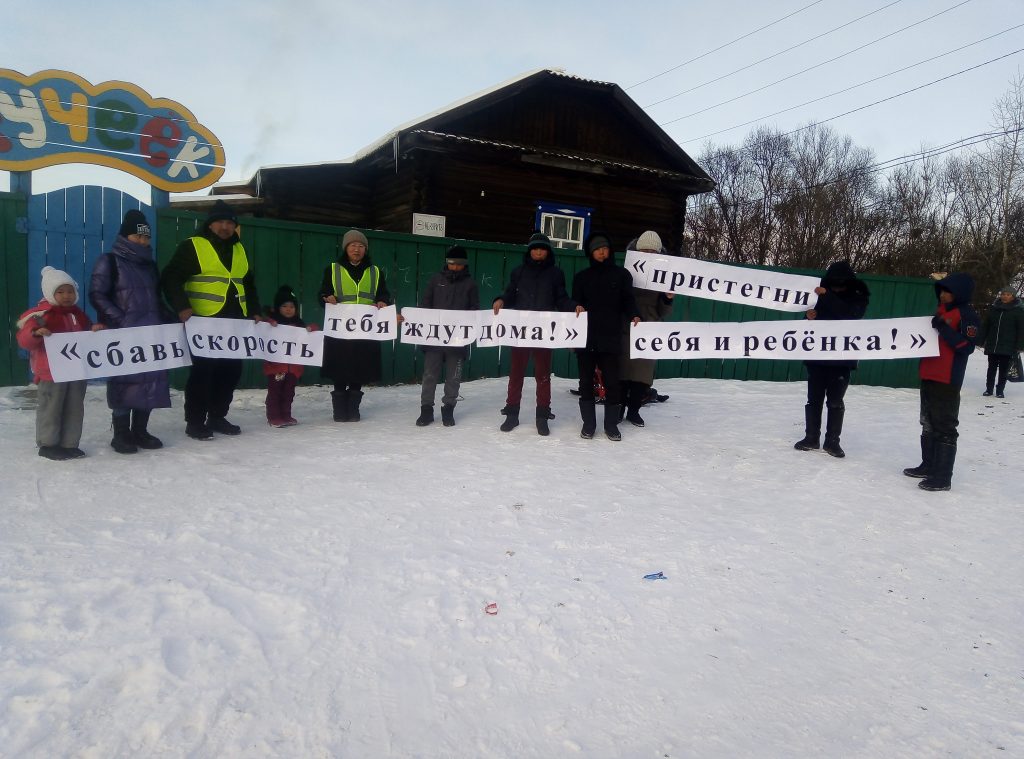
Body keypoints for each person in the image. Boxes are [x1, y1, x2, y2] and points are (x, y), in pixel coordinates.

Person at [160, 200, 263, 440]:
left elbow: (247, 283)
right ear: (210, 224)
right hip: (204, 321)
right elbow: (170, 277)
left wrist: (254, 310)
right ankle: (195, 421)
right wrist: (182, 306)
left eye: (230, 223)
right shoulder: (193, 246)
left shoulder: (239, 249)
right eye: (220, 222)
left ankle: (217, 416)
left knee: (230, 372)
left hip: (235, 322)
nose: (225, 227)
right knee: (203, 373)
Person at [89, 209, 171, 454]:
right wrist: (121, 319)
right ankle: (121, 434)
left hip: (150, 334)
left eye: (146, 237)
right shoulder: (109, 261)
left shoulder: (150, 266)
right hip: (123, 334)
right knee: (123, 382)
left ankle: (140, 431)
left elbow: (156, 298)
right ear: (125, 237)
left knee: (150, 382)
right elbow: (97, 295)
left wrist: (171, 318)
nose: (143, 241)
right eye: (138, 237)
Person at [16, 267, 105, 460]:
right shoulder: (40, 316)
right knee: (51, 408)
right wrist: (35, 333)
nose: (66, 296)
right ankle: (48, 444)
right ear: (50, 293)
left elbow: (87, 331)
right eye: (60, 292)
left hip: (75, 371)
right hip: (51, 373)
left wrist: (94, 329)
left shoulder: (78, 314)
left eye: (70, 291)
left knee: (74, 407)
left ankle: (69, 443)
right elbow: (24, 340)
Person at [492, 231, 576, 435]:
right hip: (521, 330)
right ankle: (512, 413)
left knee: (543, 375)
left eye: (542, 249)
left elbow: (561, 298)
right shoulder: (518, 272)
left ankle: (542, 415)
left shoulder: (556, 274)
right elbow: (510, 294)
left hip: (544, 331)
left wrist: (573, 307)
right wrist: (501, 300)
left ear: (548, 252)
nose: (538, 252)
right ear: (529, 251)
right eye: (535, 249)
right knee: (516, 374)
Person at [902, 272, 979, 492]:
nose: (943, 295)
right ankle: (928, 465)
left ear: (959, 293)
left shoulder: (967, 315)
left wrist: (943, 328)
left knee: (945, 426)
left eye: (948, 292)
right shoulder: (941, 311)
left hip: (948, 378)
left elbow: (967, 347)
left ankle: (943, 477)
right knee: (927, 422)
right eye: (942, 291)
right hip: (929, 374)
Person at [793, 261, 870, 458]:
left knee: (835, 401)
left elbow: (850, 315)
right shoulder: (818, 295)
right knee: (814, 400)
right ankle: (811, 437)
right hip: (817, 356)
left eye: (839, 283)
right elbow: (807, 326)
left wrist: (826, 296)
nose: (836, 287)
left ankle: (832, 441)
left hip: (841, 358)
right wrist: (809, 317)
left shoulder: (858, 296)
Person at [571, 232, 639, 441]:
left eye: (604, 248)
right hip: (586, 339)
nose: (601, 252)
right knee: (585, 383)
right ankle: (589, 424)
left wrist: (635, 314)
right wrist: (576, 306)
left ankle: (611, 425)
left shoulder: (622, 276)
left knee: (612, 383)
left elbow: (628, 300)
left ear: (610, 250)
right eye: (597, 249)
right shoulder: (581, 278)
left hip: (610, 338)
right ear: (590, 253)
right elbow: (574, 304)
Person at [319, 229, 391, 422]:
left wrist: (383, 301)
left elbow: (383, 293)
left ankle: (353, 410)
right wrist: (326, 297)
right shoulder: (332, 269)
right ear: (346, 248)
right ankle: (339, 411)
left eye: (360, 246)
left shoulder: (375, 272)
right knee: (339, 367)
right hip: (340, 329)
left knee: (360, 367)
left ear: (365, 249)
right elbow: (323, 292)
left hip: (365, 330)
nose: (356, 249)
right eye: (353, 245)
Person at [414, 245, 479, 427]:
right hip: (434, 338)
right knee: (429, 375)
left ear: (464, 264)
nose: (455, 267)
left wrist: (468, 318)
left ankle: (448, 408)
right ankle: (426, 410)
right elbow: (425, 305)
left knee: (453, 377)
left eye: (458, 264)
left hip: (457, 340)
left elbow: (475, 308)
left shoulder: (470, 284)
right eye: (451, 263)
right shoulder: (436, 280)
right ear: (447, 263)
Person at [619, 230, 674, 427]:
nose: (648, 254)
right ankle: (618, 410)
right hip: (626, 326)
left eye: (653, 251)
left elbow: (663, 311)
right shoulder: (627, 271)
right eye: (645, 250)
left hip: (649, 329)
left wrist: (667, 299)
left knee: (641, 376)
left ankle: (634, 411)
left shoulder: (664, 277)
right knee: (622, 372)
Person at [264, 285, 318, 427]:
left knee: (289, 392)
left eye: (292, 307)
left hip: (293, 368)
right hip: (276, 367)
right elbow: (262, 328)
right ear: (278, 308)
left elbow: (311, 334)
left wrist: (312, 329)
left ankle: (286, 414)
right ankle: (273, 416)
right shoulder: (272, 323)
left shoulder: (299, 324)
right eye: (284, 306)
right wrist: (269, 323)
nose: (289, 309)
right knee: (275, 391)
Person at [977, 285, 1024, 398]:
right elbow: (986, 325)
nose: (1005, 296)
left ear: (1013, 296)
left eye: (1008, 294)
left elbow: (1021, 329)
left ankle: (1000, 390)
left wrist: (1020, 345)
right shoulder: (994, 308)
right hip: (993, 344)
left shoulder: (1018, 311)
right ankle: (989, 389)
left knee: (1003, 369)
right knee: (991, 368)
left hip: (1008, 345)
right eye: (1003, 294)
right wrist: (980, 340)